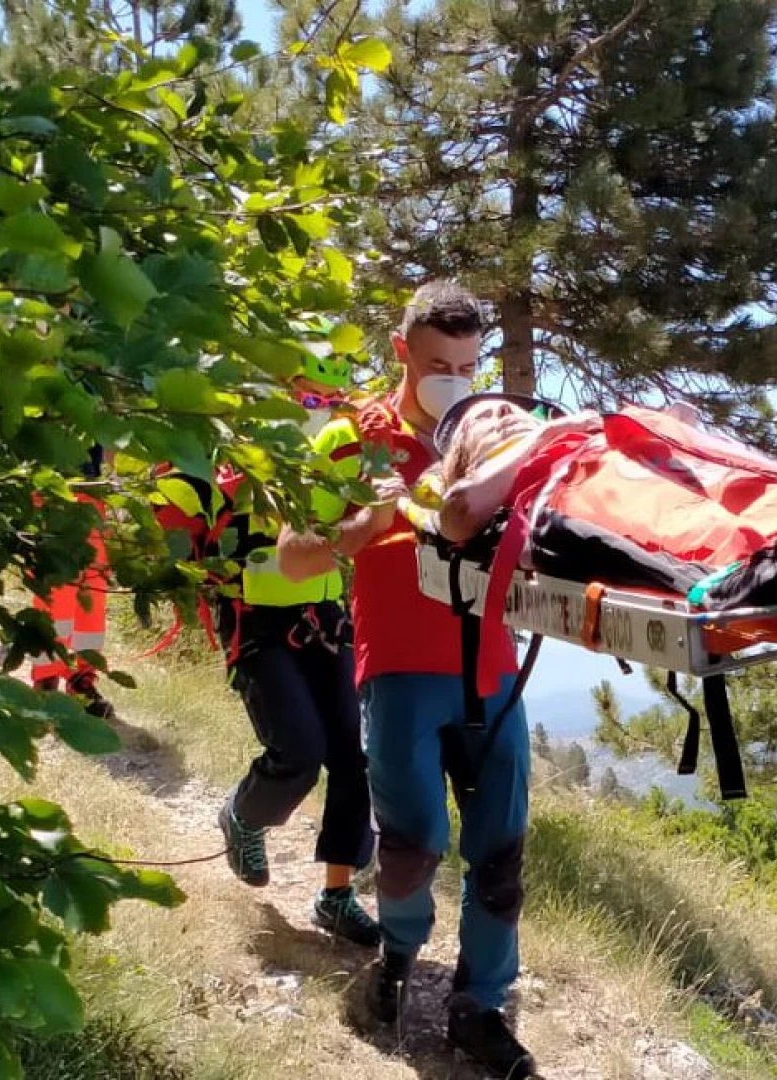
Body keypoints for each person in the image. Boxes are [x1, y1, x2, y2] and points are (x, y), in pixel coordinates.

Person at [277, 281, 535, 1078]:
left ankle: (479, 1007)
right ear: (400, 353)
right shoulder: (353, 434)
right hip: (396, 672)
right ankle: (394, 963)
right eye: (435, 363)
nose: (452, 379)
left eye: (466, 363)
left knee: (500, 855)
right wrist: (370, 523)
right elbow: (293, 557)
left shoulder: (499, 436)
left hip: (493, 672)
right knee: (413, 841)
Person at [158, 335, 382, 947]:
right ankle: (242, 814)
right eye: (310, 394)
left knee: (352, 760)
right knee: (298, 753)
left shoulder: (345, 458)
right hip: (257, 623)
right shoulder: (238, 464)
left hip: (326, 619)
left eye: (330, 397)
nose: (321, 408)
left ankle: (337, 894)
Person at [31, 443, 116, 720]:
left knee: (91, 591)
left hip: (89, 488)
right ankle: (45, 681)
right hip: (48, 487)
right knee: (54, 593)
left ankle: (82, 678)